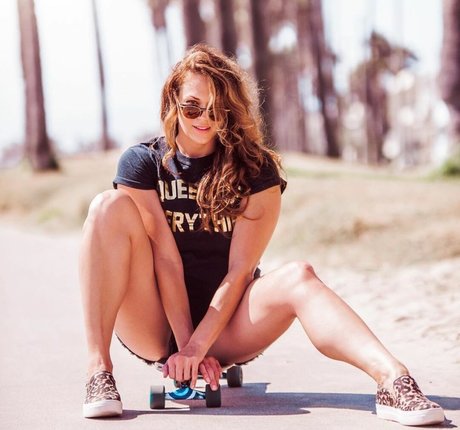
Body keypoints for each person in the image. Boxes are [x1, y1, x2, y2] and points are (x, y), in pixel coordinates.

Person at [80, 44, 444, 426]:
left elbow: (239, 271)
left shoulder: (255, 169)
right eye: (192, 107)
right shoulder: (143, 163)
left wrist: (198, 347)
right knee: (107, 206)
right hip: (154, 323)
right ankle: (97, 371)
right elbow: (166, 260)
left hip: (230, 326)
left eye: (216, 110)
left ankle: (394, 379)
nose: (204, 119)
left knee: (300, 275)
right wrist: (185, 348)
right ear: (173, 100)